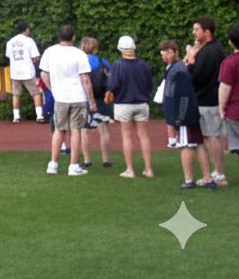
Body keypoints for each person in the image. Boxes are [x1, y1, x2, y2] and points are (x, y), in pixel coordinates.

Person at [161, 39, 217, 189]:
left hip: (185, 116)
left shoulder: (179, 70)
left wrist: (181, 116)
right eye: (162, 52)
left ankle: (189, 180)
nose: (164, 55)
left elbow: (185, 94)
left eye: (167, 51)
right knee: (197, 144)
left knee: (186, 146)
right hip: (187, 114)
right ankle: (208, 178)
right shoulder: (176, 68)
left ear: (175, 52)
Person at [40, 25, 96, 176]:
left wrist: (53, 89)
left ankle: (53, 164)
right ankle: (73, 165)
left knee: (59, 130)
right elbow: (85, 79)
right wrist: (92, 101)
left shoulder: (50, 52)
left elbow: (44, 75)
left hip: (60, 98)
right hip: (78, 97)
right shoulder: (79, 54)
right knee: (76, 130)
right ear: (73, 37)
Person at [185, 17, 227, 187]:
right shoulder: (213, 49)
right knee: (210, 137)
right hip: (208, 99)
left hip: (208, 101)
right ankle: (218, 172)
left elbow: (197, 77)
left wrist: (189, 63)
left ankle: (220, 174)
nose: (194, 33)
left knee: (212, 137)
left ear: (207, 32)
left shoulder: (210, 51)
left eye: (197, 29)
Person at [107, 35, 154, 178]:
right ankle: (148, 169)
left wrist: (110, 93)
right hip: (141, 103)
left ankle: (130, 170)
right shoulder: (143, 65)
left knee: (126, 135)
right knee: (143, 135)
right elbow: (149, 85)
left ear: (120, 49)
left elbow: (113, 85)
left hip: (124, 104)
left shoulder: (118, 65)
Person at [78, 37, 113, 168]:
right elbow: (110, 79)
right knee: (103, 128)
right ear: (95, 48)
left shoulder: (78, 61)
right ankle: (105, 159)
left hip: (82, 98)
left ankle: (87, 159)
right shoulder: (103, 62)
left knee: (83, 129)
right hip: (100, 98)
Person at [5, 21, 43, 123]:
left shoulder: (10, 42)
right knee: (36, 93)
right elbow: (36, 56)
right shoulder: (29, 41)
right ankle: (39, 115)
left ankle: (16, 116)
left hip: (15, 72)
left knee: (16, 94)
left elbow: (8, 56)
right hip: (28, 71)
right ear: (26, 30)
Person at [218, 26, 239, 168]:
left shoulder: (230, 62)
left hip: (235, 110)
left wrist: (221, 107)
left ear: (231, 42)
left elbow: (225, 87)